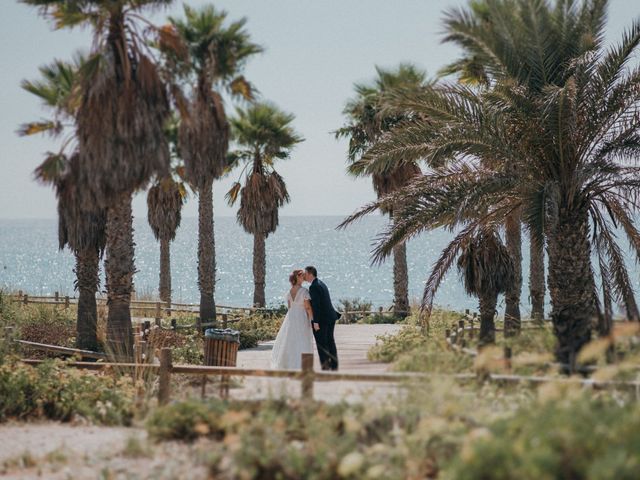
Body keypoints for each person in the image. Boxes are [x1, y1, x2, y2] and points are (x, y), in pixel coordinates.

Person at [270, 269, 314, 369]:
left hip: (291, 318)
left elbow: (290, 307)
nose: (304, 277)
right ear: (297, 277)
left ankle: (288, 364)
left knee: (291, 340)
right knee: (303, 339)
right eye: (302, 275)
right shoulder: (304, 291)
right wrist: (312, 318)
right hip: (301, 317)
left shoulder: (289, 292)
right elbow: (307, 307)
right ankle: (303, 365)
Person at [304, 266, 341, 370]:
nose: (304, 276)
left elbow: (317, 306)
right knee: (330, 342)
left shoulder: (313, 287)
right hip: (331, 317)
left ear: (310, 274)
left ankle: (325, 367)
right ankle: (334, 365)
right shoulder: (321, 283)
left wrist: (315, 322)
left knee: (321, 344)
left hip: (322, 320)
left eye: (305, 274)